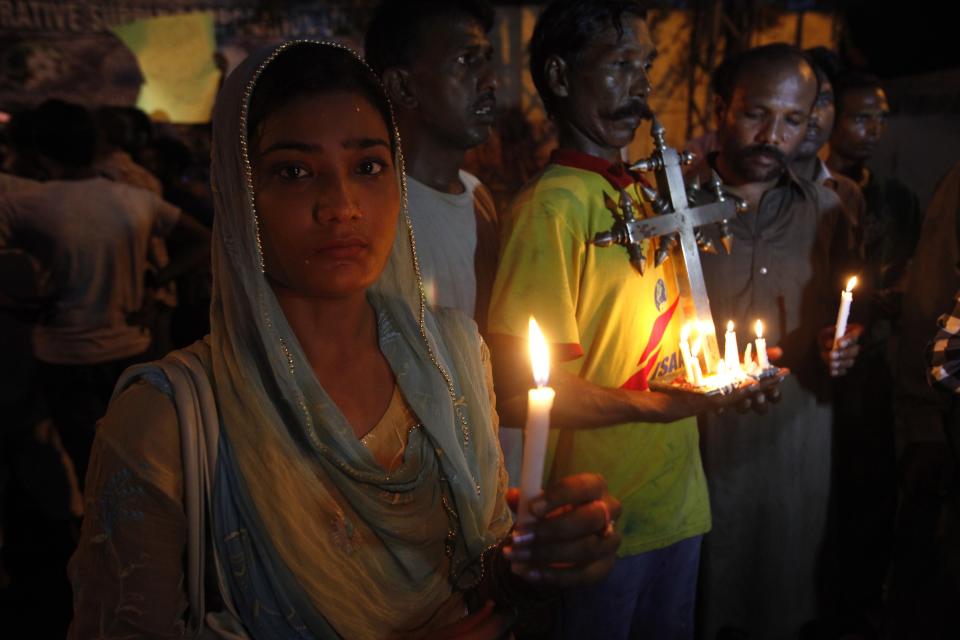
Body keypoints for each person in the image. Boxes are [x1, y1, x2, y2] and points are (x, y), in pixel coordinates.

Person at [68, 41, 621, 639]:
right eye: (294, 171)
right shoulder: (166, 422)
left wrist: (530, 565)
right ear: (240, 191)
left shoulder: (454, 357)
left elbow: (476, 573)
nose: (341, 207)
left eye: (368, 166)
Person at [486, 2, 760, 637]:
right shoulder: (551, 209)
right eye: (618, 65)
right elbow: (524, 392)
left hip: (680, 502)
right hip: (594, 517)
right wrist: (653, 406)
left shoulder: (641, 192)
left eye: (646, 65)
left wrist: (724, 379)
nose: (640, 84)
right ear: (558, 76)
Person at [687, 44, 857, 639]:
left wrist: (841, 345)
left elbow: (842, 315)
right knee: (694, 598)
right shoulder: (675, 210)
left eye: (792, 120)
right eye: (755, 114)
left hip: (793, 444)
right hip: (698, 444)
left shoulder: (827, 211)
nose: (772, 136)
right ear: (721, 110)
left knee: (780, 600)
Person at [0, 99, 210, 488]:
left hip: (66, 353)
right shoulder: (135, 200)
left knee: (91, 467)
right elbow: (201, 241)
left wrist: (17, 305)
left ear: (39, 154)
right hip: (131, 348)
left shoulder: (26, 203)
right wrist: (155, 279)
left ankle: (100, 540)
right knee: (147, 461)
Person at [364, 0, 500, 337]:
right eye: (466, 60)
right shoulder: (372, 211)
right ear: (403, 87)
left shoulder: (478, 197)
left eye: (486, 60)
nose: (490, 81)